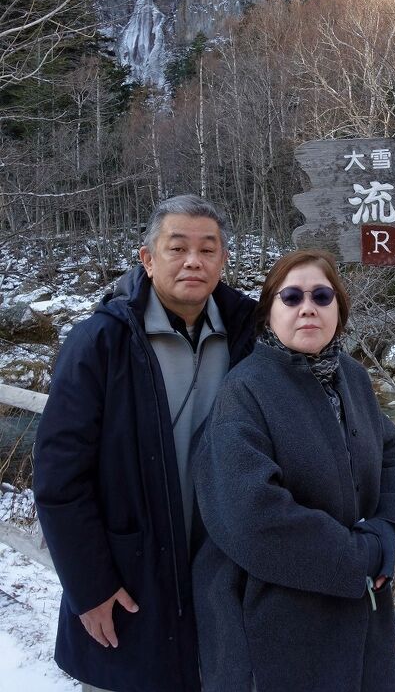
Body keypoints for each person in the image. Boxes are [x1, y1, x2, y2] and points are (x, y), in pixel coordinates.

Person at [33, 194, 257, 692]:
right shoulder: (101, 342)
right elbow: (58, 478)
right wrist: (89, 588)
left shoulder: (251, 336)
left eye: (208, 248)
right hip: (128, 580)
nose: (193, 261)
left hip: (223, 581)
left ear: (223, 259)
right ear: (147, 258)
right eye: (177, 248)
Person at [193, 248, 395, 692]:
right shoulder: (244, 390)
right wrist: (359, 555)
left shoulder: (351, 377)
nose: (308, 308)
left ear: (339, 307)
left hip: (359, 607)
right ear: (269, 312)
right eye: (291, 297)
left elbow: (389, 450)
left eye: (322, 296)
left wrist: (390, 529)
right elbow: (250, 514)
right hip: (275, 615)